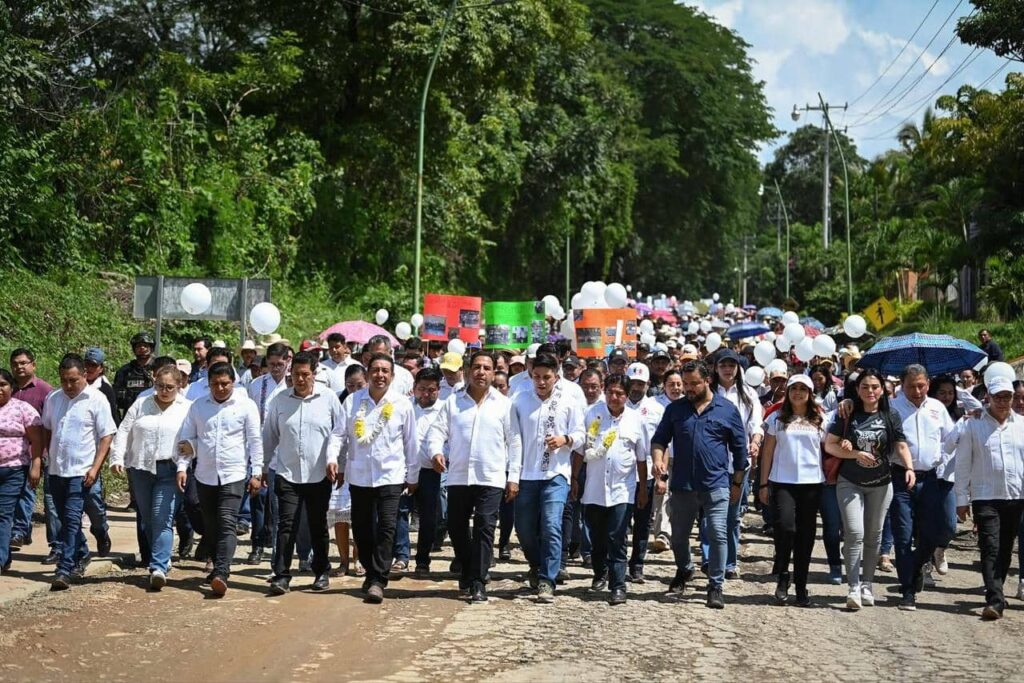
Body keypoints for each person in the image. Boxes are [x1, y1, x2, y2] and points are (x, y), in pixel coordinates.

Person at [651, 360, 748, 609]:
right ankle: (685, 568)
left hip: (716, 484)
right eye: (685, 384)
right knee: (678, 537)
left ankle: (715, 585)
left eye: (694, 383)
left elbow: (740, 451)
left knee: (717, 533)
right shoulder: (675, 410)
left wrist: (737, 483)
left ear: (707, 380)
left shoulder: (727, 410)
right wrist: (658, 460)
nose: (688, 389)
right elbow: (659, 440)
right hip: (683, 485)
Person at [328, 353, 418, 604]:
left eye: (385, 371)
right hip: (360, 476)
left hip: (391, 476)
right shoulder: (353, 401)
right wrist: (332, 458)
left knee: (387, 527)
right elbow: (338, 434)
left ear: (392, 375)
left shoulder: (402, 404)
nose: (380, 375)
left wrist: (412, 476)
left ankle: (378, 579)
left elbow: (411, 443)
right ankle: (370, 570)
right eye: (375, 370)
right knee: (362, 529)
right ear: (368, 374)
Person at [427, 352, 517, 602]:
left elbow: (515, 442)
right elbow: (436, 431)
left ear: (494, 373)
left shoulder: (504, 404)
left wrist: (514, 477)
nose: (481, 372)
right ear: (467, 371)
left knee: (485, 527)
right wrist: (436, 452)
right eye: (477, 367)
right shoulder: (453, 402)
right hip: (458, 475)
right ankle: (467, 569)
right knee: (456, 526)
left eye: (487, 368)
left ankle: (478, 581)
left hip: (491, 477)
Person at [824, 368, 915, 611]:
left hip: (881, 483)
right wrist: (854, 453)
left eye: (875, 387)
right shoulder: (848, 412)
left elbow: (901, 445)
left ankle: (867, 584)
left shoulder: (890, 415)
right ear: (857, 389)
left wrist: (909, 468)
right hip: (850, 482)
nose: (870, 391)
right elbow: (830, 445)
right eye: (865, 387)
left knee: (874, 535)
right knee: (855, 532)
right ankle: (853, 587)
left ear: (882, 389)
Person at [176, 362, 262, 596]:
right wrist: (182, 467)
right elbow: (187, 438)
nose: (220, 388)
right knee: (211, 524)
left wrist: (257, 472)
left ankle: (222, 572)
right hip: (204, 474)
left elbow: (255, 441)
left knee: (226, 521)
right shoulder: (198, 406)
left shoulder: (246, 406)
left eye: (225, 383)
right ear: (209, 384)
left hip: (234, 474)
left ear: (233, 382)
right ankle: (216, 564)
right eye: (215, 384)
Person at [261, 351, 341, 594]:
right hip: (287, 473)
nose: (300, 379)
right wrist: (262, 467)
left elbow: (339, 433)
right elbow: (269, 436)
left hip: (319, 474)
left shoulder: (328, 398)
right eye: (296, 374)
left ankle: (321, 571)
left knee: (318, 525)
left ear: (314, 374)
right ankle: (282, 575)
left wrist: (338, 462)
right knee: (286, 525)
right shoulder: (280, 400)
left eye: (305, 374)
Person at [510, 353, 584, 603]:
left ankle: (547, 579)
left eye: (546, 377)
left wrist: (566, 439)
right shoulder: (520, 400)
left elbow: (581, 435)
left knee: (552, 525)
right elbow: (513, 438)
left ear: (556, 377)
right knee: (524, 528)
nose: (541, 382)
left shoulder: (568, 402)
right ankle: (536, 563)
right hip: (526, 474)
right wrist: (513, 475)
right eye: (537, 377)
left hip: (556, 474)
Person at [109, 364, 191, 590]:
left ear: (179, 385)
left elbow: (191, 439)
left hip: (170, 469)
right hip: (141, 468)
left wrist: (184, 465)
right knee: (147, 519)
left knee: (161, 518)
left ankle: (158, 567)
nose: (164, 391)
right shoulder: (142, 403)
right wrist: (117, 457)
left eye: (169, 387)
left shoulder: (187, 408)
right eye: (160, 386)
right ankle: (161, 556)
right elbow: (124, 430)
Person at [42, 354, 117, 590]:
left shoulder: (97, 399)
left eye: (73, 380)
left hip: (81, 470)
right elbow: (47, 428)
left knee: (72, 519)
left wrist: (95, 467)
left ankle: (64, 569)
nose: (68, 385)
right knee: (64, 519)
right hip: (56, 469)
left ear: (84, 375)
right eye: (64, 380)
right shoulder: (53, 398)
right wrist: (45, 457)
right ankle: (82, 553)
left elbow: (106, 436)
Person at [886, 364, 958, 611]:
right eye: (911, 386)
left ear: (928, 384)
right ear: (902, 386)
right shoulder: (892, 408)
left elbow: (951, 439)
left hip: (930, 479)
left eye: (921, 386)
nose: (917, 391)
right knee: (903, 536)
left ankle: (916, 567)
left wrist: (971, 420)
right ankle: (907, 590)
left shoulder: (937, 407)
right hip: (900, 478)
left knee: (933, 532)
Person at [572, 373, 647, 605]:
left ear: (627, 395)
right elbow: (581, 450)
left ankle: (618, 585)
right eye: (611, 392)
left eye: (620, 394)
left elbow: (641, 458)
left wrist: (643, 488)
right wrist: (574, 478)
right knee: (597, 536)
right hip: (594, 488)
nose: (614, 398)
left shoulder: (635, 420)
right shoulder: (592, 414)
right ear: (604, 391)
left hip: (623, 489)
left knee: (617, 537)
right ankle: (600, 572)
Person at [955, 376, 1024, 620]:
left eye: (1007, 397)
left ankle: (996, 590)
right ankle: (995, 599)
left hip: (1016, 496)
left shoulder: (1021, 425)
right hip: (985, 496)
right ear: (988, 398)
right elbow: (963, 463)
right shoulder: (973, 425)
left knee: (1005, 548)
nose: (1003, 402)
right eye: (998, 397)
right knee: (990, 546)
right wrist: (961, 499)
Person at [758, 375, 824, 607]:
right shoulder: (777, 417)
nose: (798, 393)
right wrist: (763, 484)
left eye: (803, 389)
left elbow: (830, 446)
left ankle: (801, 584)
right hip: (782, 482)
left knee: (806, 535)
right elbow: (767, 452)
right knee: (786, 528)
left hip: (812, 483)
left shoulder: (821, 418)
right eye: (793, 388)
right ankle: (783, 574)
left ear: (810, 393)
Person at [708, 349, 763, 580]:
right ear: (716, 368)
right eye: (723, 365)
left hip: (739, 463)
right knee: (710, 514)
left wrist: (755, 441)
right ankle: (710, 559)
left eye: (731, 365)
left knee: (731, 515)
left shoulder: (748, 393)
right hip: (712, 462)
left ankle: (729, 562)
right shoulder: (708, 391)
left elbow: (756, 424)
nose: (728, 369)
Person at [393, 367, 445, 578]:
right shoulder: (404, 406)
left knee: (428, 517)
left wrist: (441, 456)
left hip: (430, 471)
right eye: (422, 389)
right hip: (403, 470)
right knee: (400, 512)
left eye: (431, 390)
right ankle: (401, 556)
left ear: (438, 390)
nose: (426, 394)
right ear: (414, 388)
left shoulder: (445, 410)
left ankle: (423, 559)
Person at [244, 342, 293, 563]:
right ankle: (256, 545)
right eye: (271, 364)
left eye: (279, 364)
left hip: (286, 450)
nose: (275, 368)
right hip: (260, 449)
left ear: (288, 361)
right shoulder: (256, 385)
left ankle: (276, 547)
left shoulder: (293, 384)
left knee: (279, 502)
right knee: (258, 497)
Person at [8, 348, 53, 554]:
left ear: (33, 365)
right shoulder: (6, 388)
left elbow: (50, 424)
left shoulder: (45, 391)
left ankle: (18, 531)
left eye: (23, 363)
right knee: (13, 493)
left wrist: (41, 456)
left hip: (36, 451)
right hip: (11, 454)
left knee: (27, 490)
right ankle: (22, 531)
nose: (19, 367)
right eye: (15, 364)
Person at [0, 368, 44, 574]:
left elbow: (37, 440)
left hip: (14, 469)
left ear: (11, 387)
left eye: (3, 385)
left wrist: (36, 465)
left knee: (3, 514)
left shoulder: (23, 409)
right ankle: (5, 556)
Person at [649, 369, 684, 554]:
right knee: (662, 494)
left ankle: (677, 533)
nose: (675, 388)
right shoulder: (653, 404)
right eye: (671, 384)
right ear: (664, 386)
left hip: (683, 457)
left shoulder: (689, 403)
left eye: (679, 384)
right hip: (662, 456)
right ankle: (662, 534)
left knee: (680, 498)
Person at [113, 332, 155, 420]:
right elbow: (115, 399)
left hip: (153, 416)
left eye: (145, 345)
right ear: (134, 349)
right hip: (130, 417)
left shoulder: (159, 369)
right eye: (139, 346)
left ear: (151, 348)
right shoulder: (124, 371)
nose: (142, 348)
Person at [83, 348, 119, 425]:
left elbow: (112, 417)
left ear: (101, 369)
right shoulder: (76, 384)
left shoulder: (106, 389)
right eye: (87, 364)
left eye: (94, 365)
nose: (89, 368)